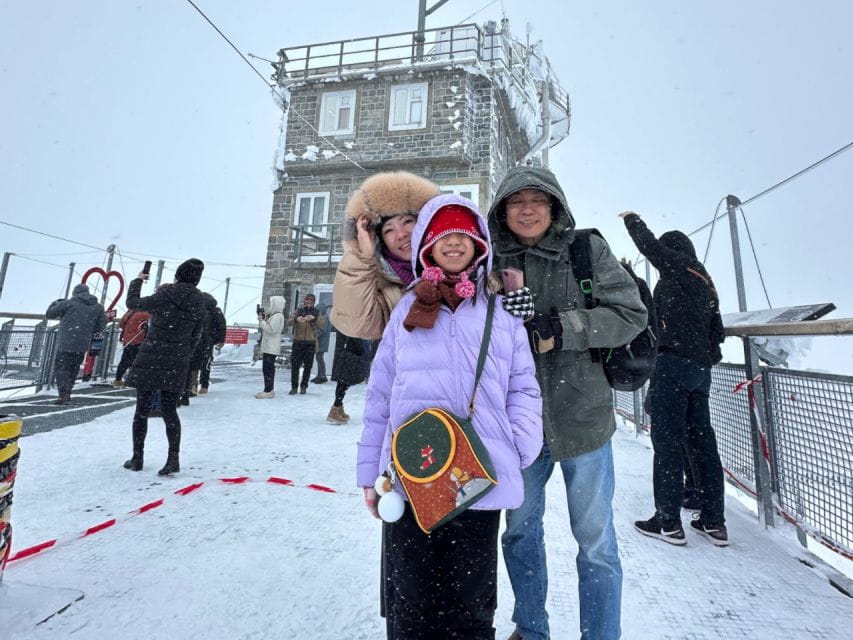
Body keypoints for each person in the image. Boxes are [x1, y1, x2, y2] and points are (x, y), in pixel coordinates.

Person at [359, 194, 543, 639]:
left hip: (480, 474)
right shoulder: (406, 309)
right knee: (411, 600)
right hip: (413, 475)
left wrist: (519, 443)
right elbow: (381, 393)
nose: (455, 243)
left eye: (464, 234)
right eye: (444, 236)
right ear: (426, 246)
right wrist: (370, 472)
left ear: (480, 244)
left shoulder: (501, 314)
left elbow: (523, 384)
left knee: (471, 602)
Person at [488, 166, 647, 640]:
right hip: (518, 432)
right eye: (517, 202)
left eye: (538, 200)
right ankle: (531, 629)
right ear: (503, 211)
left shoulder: (586, 250)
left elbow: (630, 313)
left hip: (585, 422)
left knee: (596, 543)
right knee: (518, 533)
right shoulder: (487, 260)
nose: (529, 209)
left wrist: (565, 328)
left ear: (554, 207)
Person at [330, 170, 441, 632]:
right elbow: (355, 321)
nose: (399, 236)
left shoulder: (468, 272)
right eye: (387, 228)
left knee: (463, 556)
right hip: (407, 430)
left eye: (408, 224)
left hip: (467, 428)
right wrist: (361, 257)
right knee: (407, 553)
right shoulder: (384, 286)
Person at [619, 211, 728, 546]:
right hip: (700, 371)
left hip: (674, 364)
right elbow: (718, 335)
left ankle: (667, 522)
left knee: (666, 443)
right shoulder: (706, 282)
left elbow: (650, 246)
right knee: (703, 445)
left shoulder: (677, 266)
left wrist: (632, 220)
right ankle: (714, 522)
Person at [122, 258, 207, 476]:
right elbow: (196, 335)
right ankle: (172, 459)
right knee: (170, 411)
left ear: (178, 274)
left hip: (151, 357)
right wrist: (183, 354)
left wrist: (138, 280)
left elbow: (133, 303)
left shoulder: (164, 294)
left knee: (142, 409)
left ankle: (137, 457)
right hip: (176, 360)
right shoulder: (199, 301)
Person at [45, 283, 107, 405]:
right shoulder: (98, 307)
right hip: (82, 343)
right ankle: (67, 392)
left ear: (75, 293)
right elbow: (101, 325)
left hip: (65, 341)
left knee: (62, 368)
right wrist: (87, 329)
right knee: (74, 368)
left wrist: (55, 303)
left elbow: (50, 314)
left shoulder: (68, 303)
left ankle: (63, 394)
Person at [286, 293, 324, 395]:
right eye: (307, 300)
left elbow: (321, 324)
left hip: (310, 343)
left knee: (308, 366)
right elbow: (289, 322)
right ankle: (294, 387)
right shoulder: (298, 310)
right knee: (295, 366)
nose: (309, 302)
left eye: (311, 301)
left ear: (314, 302)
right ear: (304, 301)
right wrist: (296, 319)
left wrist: (314, 319)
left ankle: (304, 386)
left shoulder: (317, 312)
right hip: (298, 342)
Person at [255, 296, 285, 399]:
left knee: (268, 368)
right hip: (269, 346)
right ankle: (268, 389)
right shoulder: (275, 315)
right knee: (267, 368)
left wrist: (261, 321)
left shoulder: (278, 316)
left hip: (271, 346)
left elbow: (271, 330)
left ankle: (269, 390)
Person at [112, 308, 150, 387]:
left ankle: (118, 379)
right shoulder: (147, 314)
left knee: (125, 360)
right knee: (138, 360)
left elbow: (122, 324)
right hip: (139, 339)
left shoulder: (130, 312)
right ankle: (133, 379)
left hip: (128, 340)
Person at [198, 295, 226, 395]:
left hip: (204, 340)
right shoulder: (214, 312)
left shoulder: (211, 312)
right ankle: (201, 385)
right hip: (207, 340)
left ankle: (200, 385)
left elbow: (221, 326)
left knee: (202, 363)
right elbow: (222, 326)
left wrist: (220, 340)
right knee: (205, 363)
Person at [310, 304, 331, 384]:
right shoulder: (324, 317)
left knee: (319, 358)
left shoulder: (324, 318)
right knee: (319, 358)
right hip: (321, 341)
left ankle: (322, 376)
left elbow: (322, 330)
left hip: (322, 341)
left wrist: (314, 335)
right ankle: (320, 375)